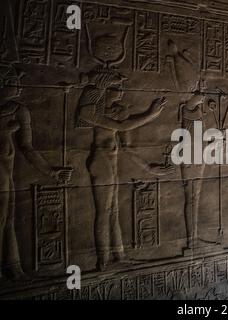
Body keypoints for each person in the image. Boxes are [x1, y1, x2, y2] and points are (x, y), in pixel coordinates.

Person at [76, 68, 167, 270]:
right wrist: (150, 114)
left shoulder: (111, 112)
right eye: (117, 88)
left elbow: (125, 143)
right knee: (104, 211)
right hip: (100, 161)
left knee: (114, 210)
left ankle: (118, 256)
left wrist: (148, 167)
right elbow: (124, 127)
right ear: (105, 89)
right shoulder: (93, 112)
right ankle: (103, 260)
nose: (121, 92)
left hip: (110, 161)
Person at [0, 63, 69, 279]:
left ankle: (13, 266)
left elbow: (27, 147)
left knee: (9, 218)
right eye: (14, 83)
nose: (19, 87)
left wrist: (51, 172)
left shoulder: (19, 110)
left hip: (6, 171)